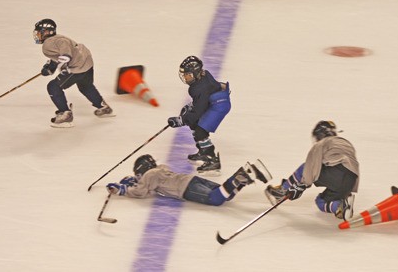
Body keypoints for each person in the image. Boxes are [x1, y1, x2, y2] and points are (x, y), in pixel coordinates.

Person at [264, 121, 360, 220]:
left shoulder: (323, 143)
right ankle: (341, 206)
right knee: (321, 201)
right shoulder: (346, 143)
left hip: (338, 173)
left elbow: (310, 167)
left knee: (304, 168)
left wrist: (300, 186)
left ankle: (282, 191)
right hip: (351, 180)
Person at [33, 18, 113, 128]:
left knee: (53, 86)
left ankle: (65, 115)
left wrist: (63, 62)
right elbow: (58, 53)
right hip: (87, 62)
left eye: (39, 32)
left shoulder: (49, 43)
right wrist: (51, 67)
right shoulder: (56, 38)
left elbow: (64, 51)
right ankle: (103, 107)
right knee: (85, 86)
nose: (37, 35)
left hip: (77, 66)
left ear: (46, 32)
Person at [106, 154, 271, 206]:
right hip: (191, 179)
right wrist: (135, 182)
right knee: (227, 195)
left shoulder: (150, 175)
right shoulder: (160, 169)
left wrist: (123, 189)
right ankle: (245, 177)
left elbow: (141, 192)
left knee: (216, 199)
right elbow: (149, 185)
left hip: (185, 189)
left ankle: (241, 175)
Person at [166, 56, 231, 176]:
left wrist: (181, 120)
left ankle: (212, 160)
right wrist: (190, 108)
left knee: (200, 129)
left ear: (195, 73)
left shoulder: (199, 88)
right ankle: (203, 150)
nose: (185, 77)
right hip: (214, 102)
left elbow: (197, 113)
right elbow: (202, 101)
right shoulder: (203, 76)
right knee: (194, 123)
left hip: (219, 106)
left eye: (188, 75)